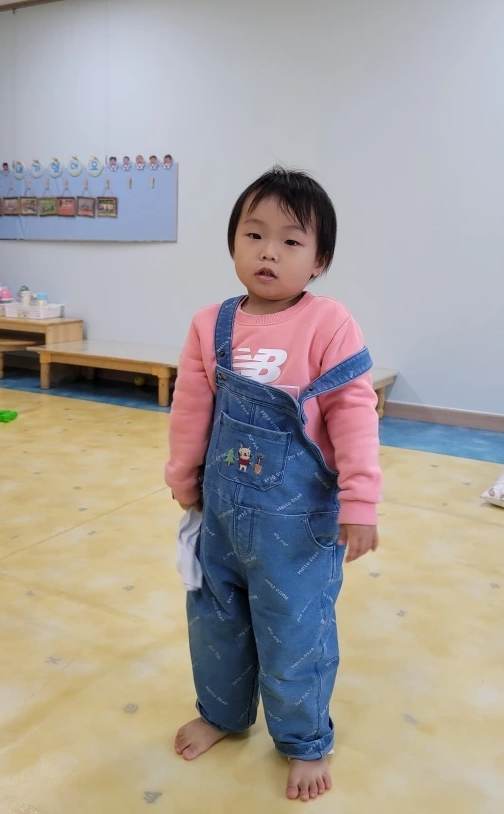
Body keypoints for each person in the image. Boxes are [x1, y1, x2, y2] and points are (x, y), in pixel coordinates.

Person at [165, 166, 382, 803]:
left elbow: (354, 411)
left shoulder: (329, 324)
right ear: (233, 242)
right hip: (221, 516)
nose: (269, 252)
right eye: (254, 234)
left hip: (300, 527)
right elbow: (190, 408)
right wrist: (183, 477)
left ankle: (304, 740)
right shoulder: (211, 324)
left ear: (320, 260)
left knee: (295, 633)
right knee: (215, 622)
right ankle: (222, 714)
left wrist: (361, 499)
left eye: (291, 241)